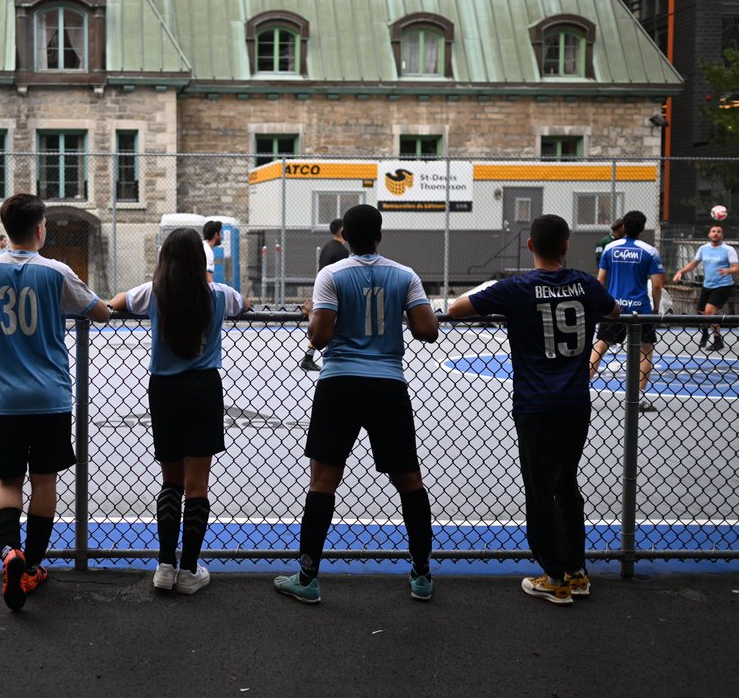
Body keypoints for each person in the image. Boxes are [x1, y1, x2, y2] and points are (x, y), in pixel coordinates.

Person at [0, 193, 111, 611]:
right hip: (50, 396)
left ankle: (9, 551)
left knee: (8, 481)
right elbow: (99, 312)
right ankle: (30, 565)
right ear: (39, 229)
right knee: (44, 481)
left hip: (5, 398)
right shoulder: (56, 272)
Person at [448, 214, 619, 605]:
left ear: (530, 247)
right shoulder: (586, 284)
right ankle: (577, 571)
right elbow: (613, 312)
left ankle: (555, 576)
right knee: (567, 484)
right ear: (566, 245)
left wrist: (492, 292)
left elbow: (457, 309)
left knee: (540, 488)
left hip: (535, 403)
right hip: (576, 402)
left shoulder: (516, 288)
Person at [274, 205, 439, 605]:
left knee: (323, 481)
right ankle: (420, 574)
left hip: (340, 383)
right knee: (409, 480)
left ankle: (308, 578)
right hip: (388, 384)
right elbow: (427, 331)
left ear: (344, 235)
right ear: (380, 234)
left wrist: (313, 315)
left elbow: (321, 337)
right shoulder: (405, 275)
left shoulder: (331, 275)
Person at [107, 228, 250, 595]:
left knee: (171, 479)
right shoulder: (218, 295)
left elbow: (118, 301)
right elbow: (244, 304)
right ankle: (189, 569)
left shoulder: (154, 293)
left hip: (165, 389)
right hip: (203, 388)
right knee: (197, 483)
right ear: (202, 261)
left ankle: (165, 564)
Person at [588, 210, 665, 413]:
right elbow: (657, 285)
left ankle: (578, 391)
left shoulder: (610, 248)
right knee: (645, 350)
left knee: (600, 347)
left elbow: (600, 280)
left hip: (614, 308)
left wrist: (601, 304)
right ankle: (637, 398)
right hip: (640, 309)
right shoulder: (650, 251)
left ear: (623, 227)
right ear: (642, 229)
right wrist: (656, 309)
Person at [672, 224, 738, 351]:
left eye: (719, 232)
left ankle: (718, 341)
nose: (716, 233)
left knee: (709, 311)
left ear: (722, 235)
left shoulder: (728, 250)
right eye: (713, 231)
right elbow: (694, 263)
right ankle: (705, 332)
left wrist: (728, 271)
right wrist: (681, 272)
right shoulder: (703, 249)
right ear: (709, 234)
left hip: (723, 285)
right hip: (708, 285)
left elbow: (737, 268)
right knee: (703, 313)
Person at [299, 219, 350, 371]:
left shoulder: (328, 247)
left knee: (321, 324)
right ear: (343, 231)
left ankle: (308, 357)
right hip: (332, 293)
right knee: (329, 326)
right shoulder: (341, 251)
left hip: (322, 290)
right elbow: (344, 275)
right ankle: (313, 357)